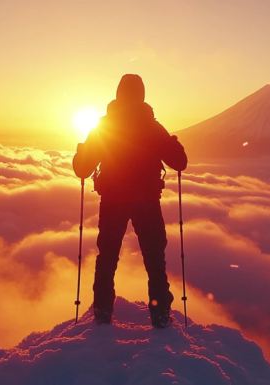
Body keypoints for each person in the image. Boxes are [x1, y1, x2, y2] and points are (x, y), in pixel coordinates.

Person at [73, 74, 187, 328]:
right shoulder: (152, 127)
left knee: (108, 256)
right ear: (142, 96)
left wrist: (82, 151)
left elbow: (82, 168)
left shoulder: (105, 128)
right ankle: (159, 313)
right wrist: (173, 144)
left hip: (113, 200)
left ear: (118, 95)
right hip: (147, 200)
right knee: (154, 256)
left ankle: (103, 311)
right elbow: (180, 162)